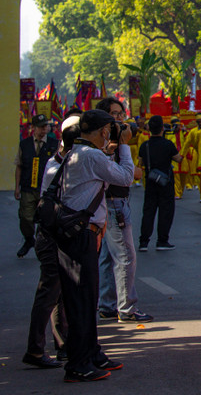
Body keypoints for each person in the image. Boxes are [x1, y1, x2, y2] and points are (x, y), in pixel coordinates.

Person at [56, 109, 132, 381]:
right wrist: (124, 145)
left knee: (86, 298)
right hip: (80, 235)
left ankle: (90, 352)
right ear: (103, 131)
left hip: (77, 234)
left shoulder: (77, 151)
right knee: (82, 299)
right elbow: (125, 177)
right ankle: (78, 363)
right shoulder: (90, 155)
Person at [22, 116, 79, 370]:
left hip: (52, 235)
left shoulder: (58, 160)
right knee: (50, 293)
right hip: (53, 236)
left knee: (57, 295)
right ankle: (35, 349)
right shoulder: (65, 165)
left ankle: (61, 344)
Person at [95, 97, 152, 324]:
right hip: (114, 203)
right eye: (114, 114)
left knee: (108, 257)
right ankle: (126, 308)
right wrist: (124, 146)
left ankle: (108, 305)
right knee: (125, 257)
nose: (120, 118)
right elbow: (128, 175)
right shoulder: (107, 143)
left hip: (111, 204)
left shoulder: (110, 142)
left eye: (121, 113)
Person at [15, 114, 58, 258]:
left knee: (46, 218)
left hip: (46, 188)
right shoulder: (24, 144)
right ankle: (29, 239)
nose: (44, 129)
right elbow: (19, 166)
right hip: (28, 186)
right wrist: (17, 187)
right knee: (25, 217)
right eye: (40, 127)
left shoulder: (54, 144)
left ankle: (44, 245)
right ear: (33, 128)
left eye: (46, 126)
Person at [138, 115, 183, 251]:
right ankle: (162, 241)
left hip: (150, 181)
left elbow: (140, 163)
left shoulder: (144, 145)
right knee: (166, 211)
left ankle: (144, 242)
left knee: (148, 211)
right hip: (166, 182)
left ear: (149, 129)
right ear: (162, 128)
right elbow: (178, 159)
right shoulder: (167, 144)